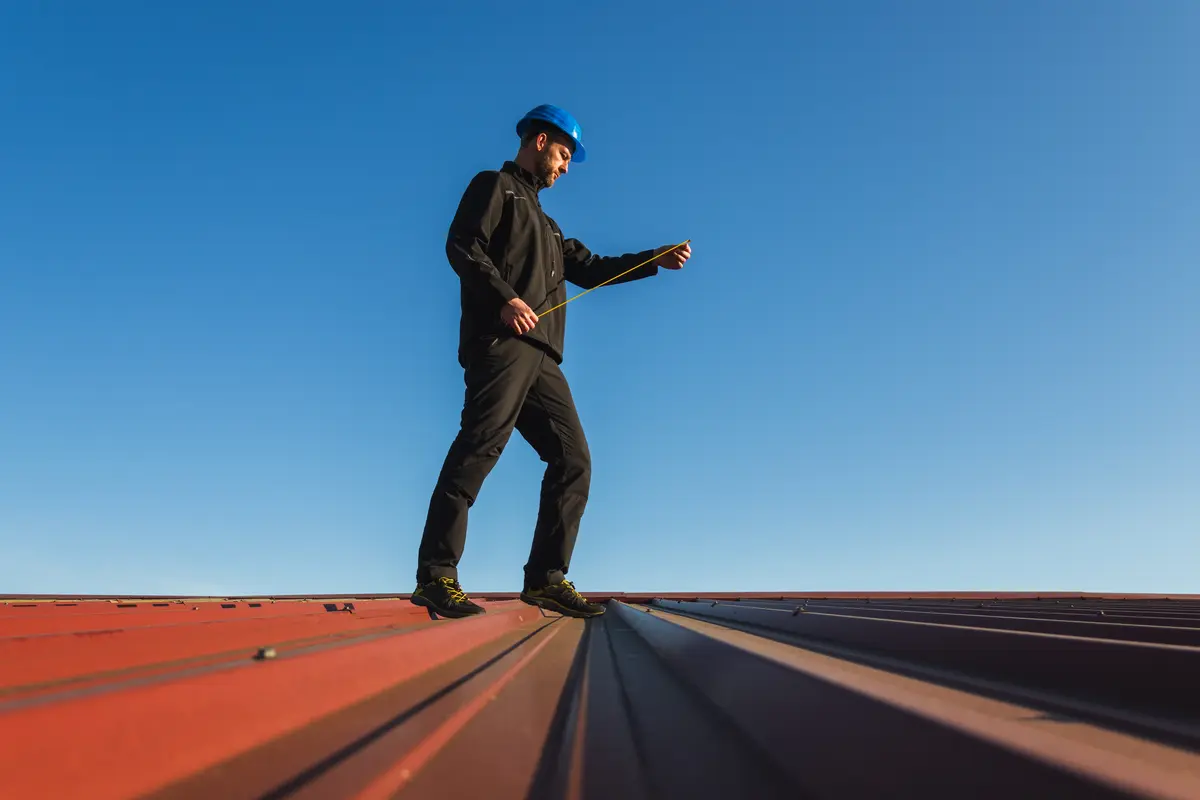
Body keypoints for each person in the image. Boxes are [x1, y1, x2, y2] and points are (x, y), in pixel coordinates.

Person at [410, 104, 691, 619]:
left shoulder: (551, 227)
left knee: (573, 460)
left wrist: (656, 258)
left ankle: (545, 578)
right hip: (501, 343)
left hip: (543, 360)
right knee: (480, 445)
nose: (564, 167)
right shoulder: (494, 187)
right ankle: (436, 575)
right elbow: (462, 244)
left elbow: (596, 269)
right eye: (563, 154)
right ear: (540, 141)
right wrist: (502, 296)